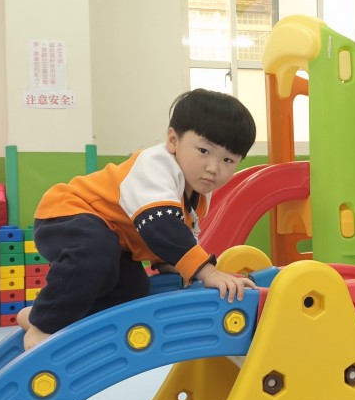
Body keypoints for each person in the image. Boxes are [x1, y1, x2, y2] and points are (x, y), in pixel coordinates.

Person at [17, 88, 257, 350]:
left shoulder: (198, 195)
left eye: (228, 160)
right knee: (94, 252)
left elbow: (177, 235)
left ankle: (43, 314)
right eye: (203, 151)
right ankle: (44, 327)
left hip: (114, 239)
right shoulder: (156, 165)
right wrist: (207, 271)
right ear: (173, 140)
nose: (213, 168)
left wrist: (170, 264)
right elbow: (159, 226)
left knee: (133, 289)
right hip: (68, 213)